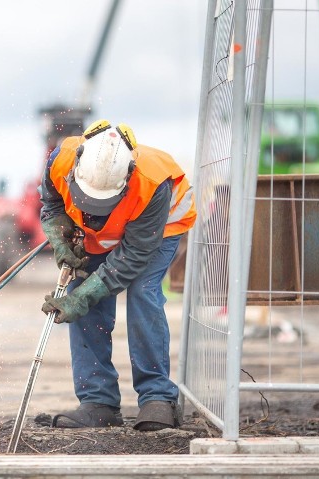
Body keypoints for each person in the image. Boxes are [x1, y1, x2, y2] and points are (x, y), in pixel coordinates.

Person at [38, 119, 196, 431]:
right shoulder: (61, 159)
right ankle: (98, 402)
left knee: (142, 293)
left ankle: (158, 398)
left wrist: (84, 297)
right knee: (82, 289)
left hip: (158, 230)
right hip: (103, 230)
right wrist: (60, 238)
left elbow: (133, 256)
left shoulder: (152, 183)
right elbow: (52, 204)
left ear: (127, 177)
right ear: (77, 169)